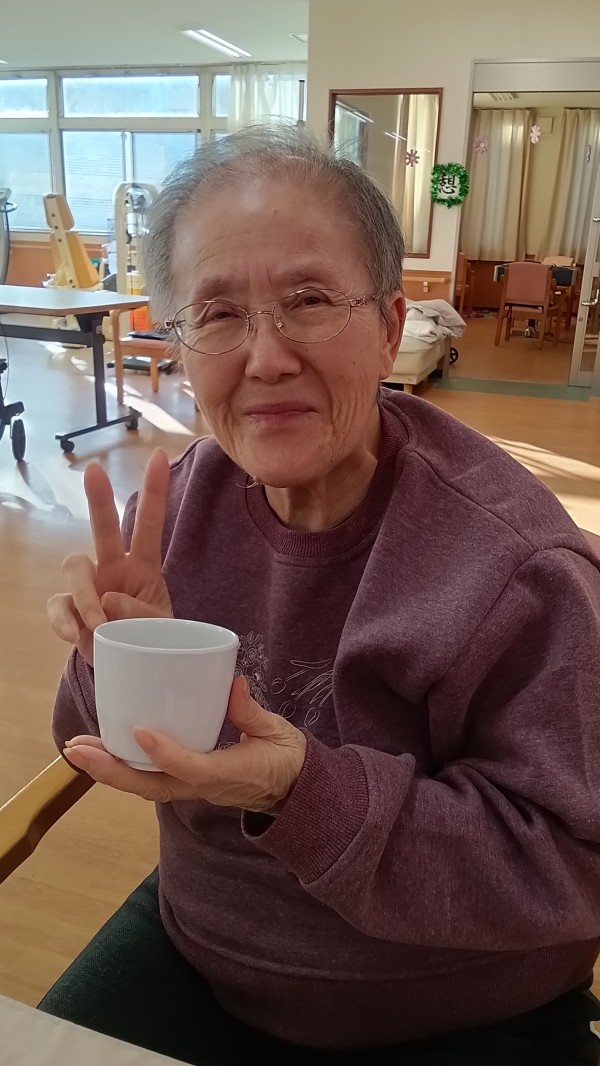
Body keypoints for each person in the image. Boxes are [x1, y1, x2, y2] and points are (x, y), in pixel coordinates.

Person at [43, 126, 600, 1066]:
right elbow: (92, 739)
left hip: (451, 1008)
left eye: (308, 301)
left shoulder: (515, 566)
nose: (264, 358)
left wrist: (301, 790)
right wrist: (115, 658)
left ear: (388, 328)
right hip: (204, 949)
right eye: (217, 313)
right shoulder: (175, 512)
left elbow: (574, 863)